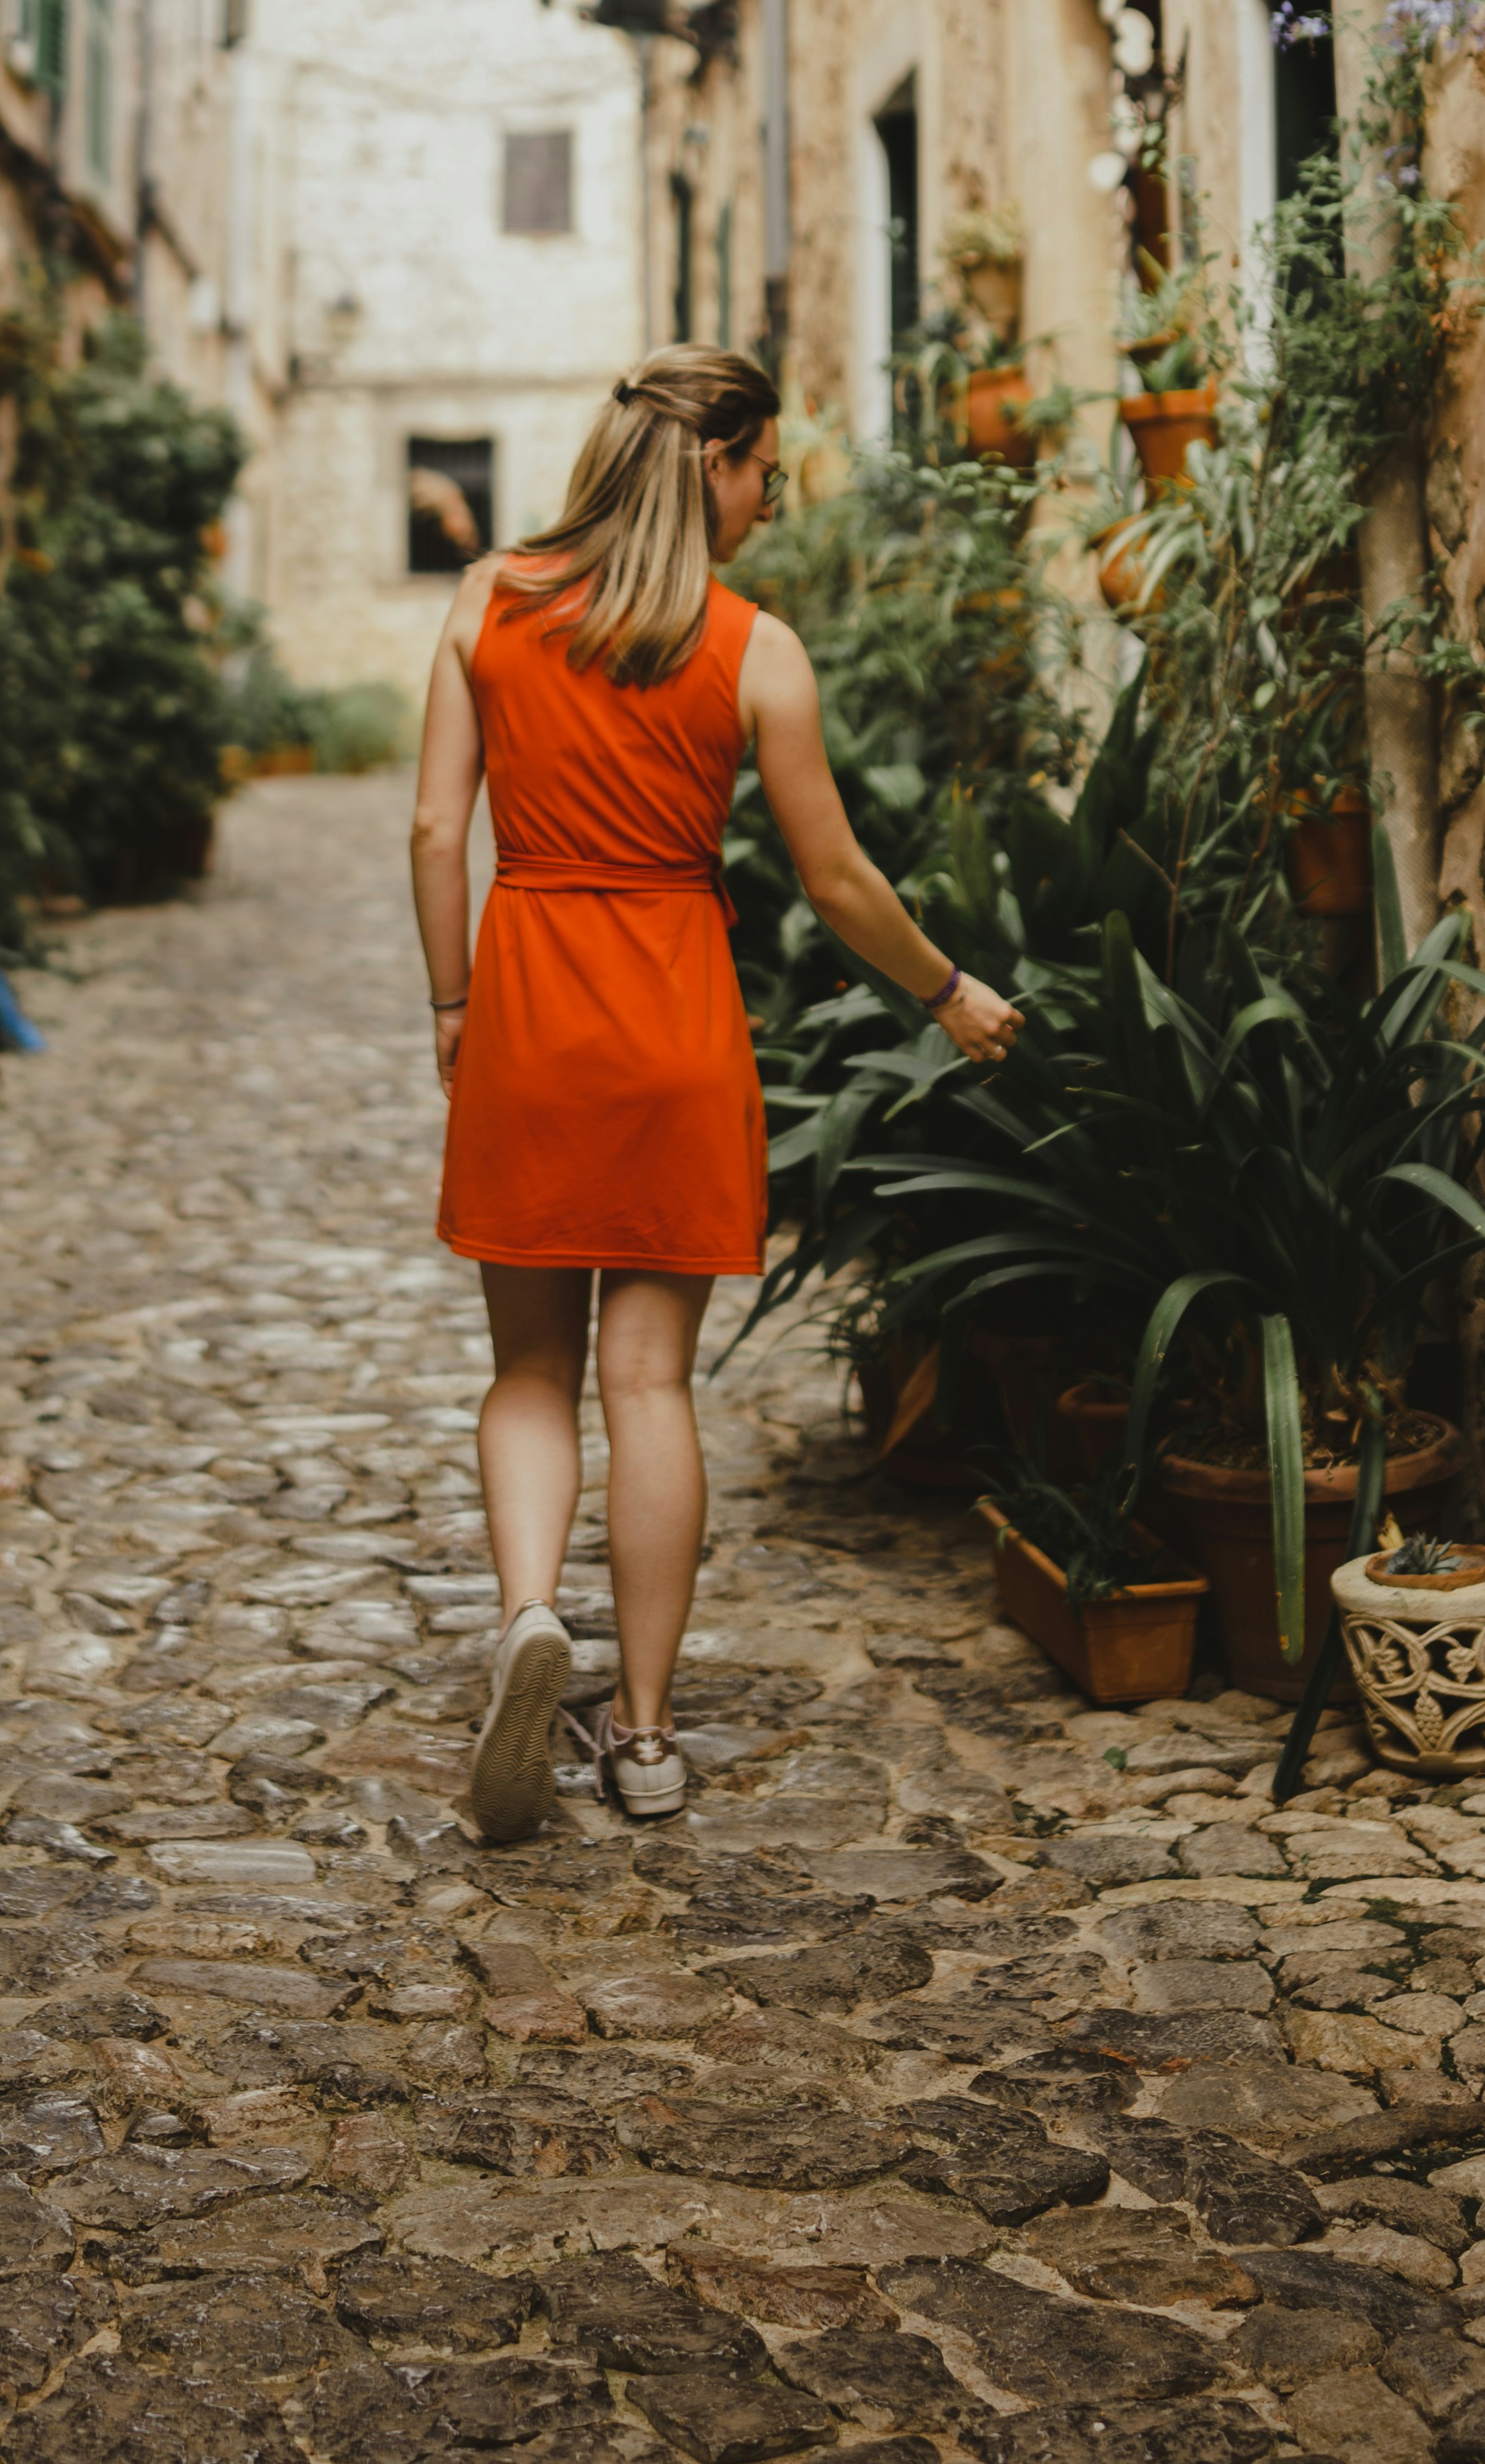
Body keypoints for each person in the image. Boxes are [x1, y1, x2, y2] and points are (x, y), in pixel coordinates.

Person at [411, 345, 1025, 1844]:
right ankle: (641, 1733)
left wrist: (450, 1006)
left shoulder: (489, 598)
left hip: (531, 1012)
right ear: (717, 460)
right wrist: (948, 992)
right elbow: (836, 879)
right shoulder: (753, 648)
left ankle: (525, 1620)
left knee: (530, 1375)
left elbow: (437, 831)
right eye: (765, 467)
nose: (771, 493)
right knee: (647, 1383)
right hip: (675, 1021)